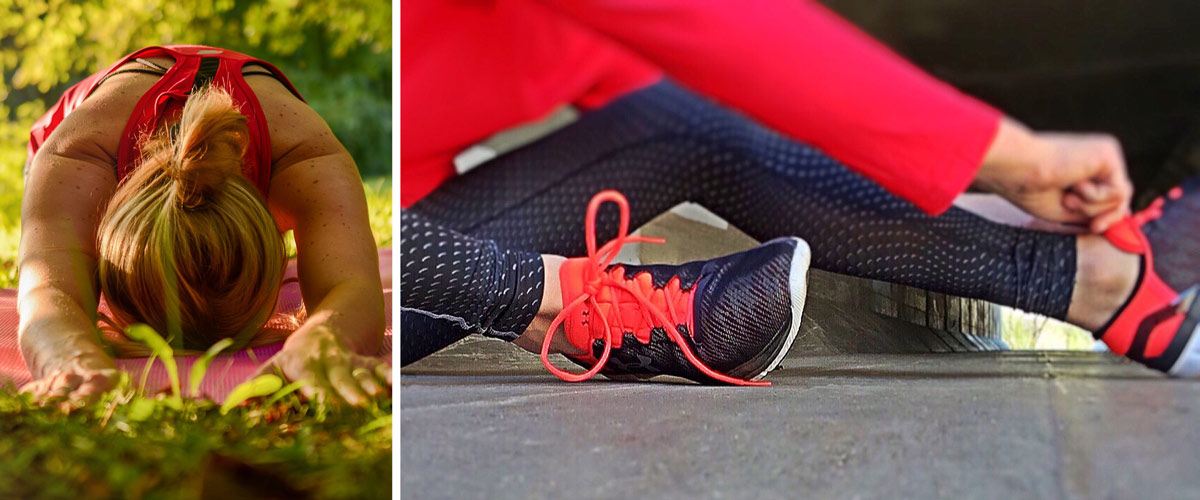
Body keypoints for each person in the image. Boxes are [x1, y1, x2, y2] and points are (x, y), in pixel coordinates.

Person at [398, 0, 1200, 384]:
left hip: (406, 245)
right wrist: (1006, 153)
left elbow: (736, 96)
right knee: (690, 125)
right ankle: (1113, 289)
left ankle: (1108, 287)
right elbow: (714, 26)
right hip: (375, 273)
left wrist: (972, 197)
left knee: (696, 123)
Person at [20, 45, 390, 405]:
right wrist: (68, 360)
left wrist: (326, 339)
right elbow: (46, 294)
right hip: (80, 140)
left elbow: (354, 287)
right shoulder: (77, 154)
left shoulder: (305, 156)